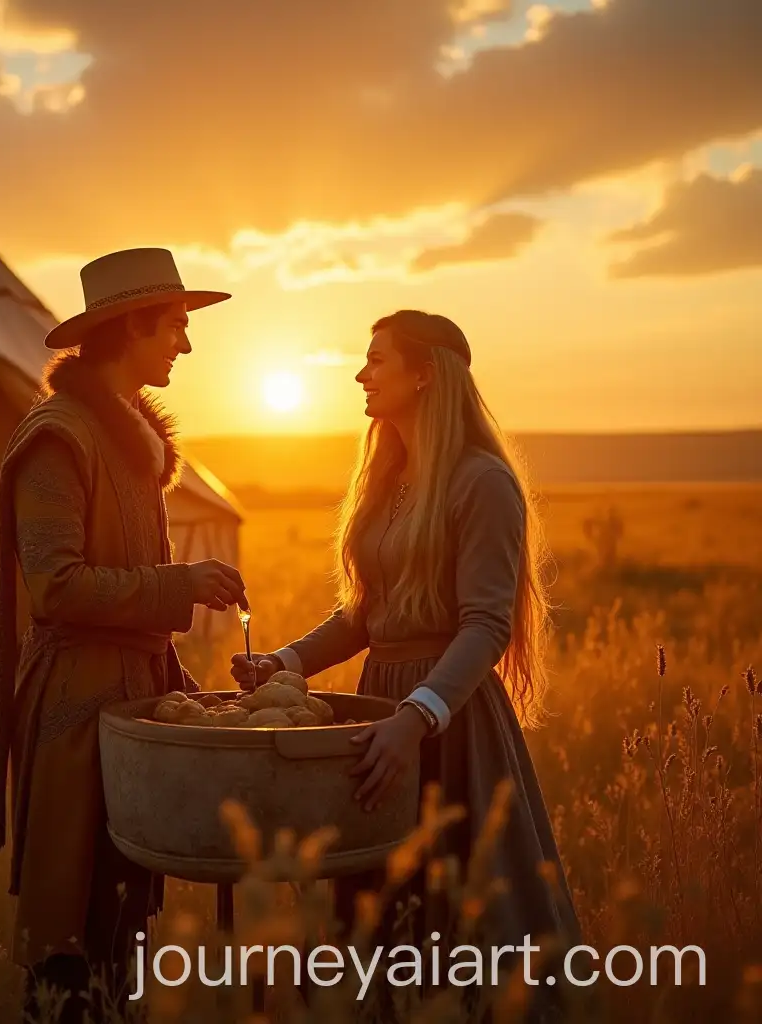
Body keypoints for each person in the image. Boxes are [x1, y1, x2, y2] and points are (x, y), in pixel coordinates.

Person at [231, 310, 581, 1018]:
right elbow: (365, 613)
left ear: (425, 373)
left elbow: (484, 624)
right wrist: (285, 661)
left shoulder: (480, 482)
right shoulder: (388, 483)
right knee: (379, 911)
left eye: (377, 359)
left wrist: (417, 717)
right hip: (378, 711)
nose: (361, 373)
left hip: (447, 720)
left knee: (468, 914)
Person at [0, 248, 247, 1022]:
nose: (185, 346)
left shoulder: (129, 441)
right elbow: (54, 587)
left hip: (128, 701)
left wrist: (193, 695)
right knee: (73, 933)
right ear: (132, 326)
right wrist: (180, 585)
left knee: (123, 920)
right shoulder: (60, 439)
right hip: (73, 712)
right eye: (175, 327)